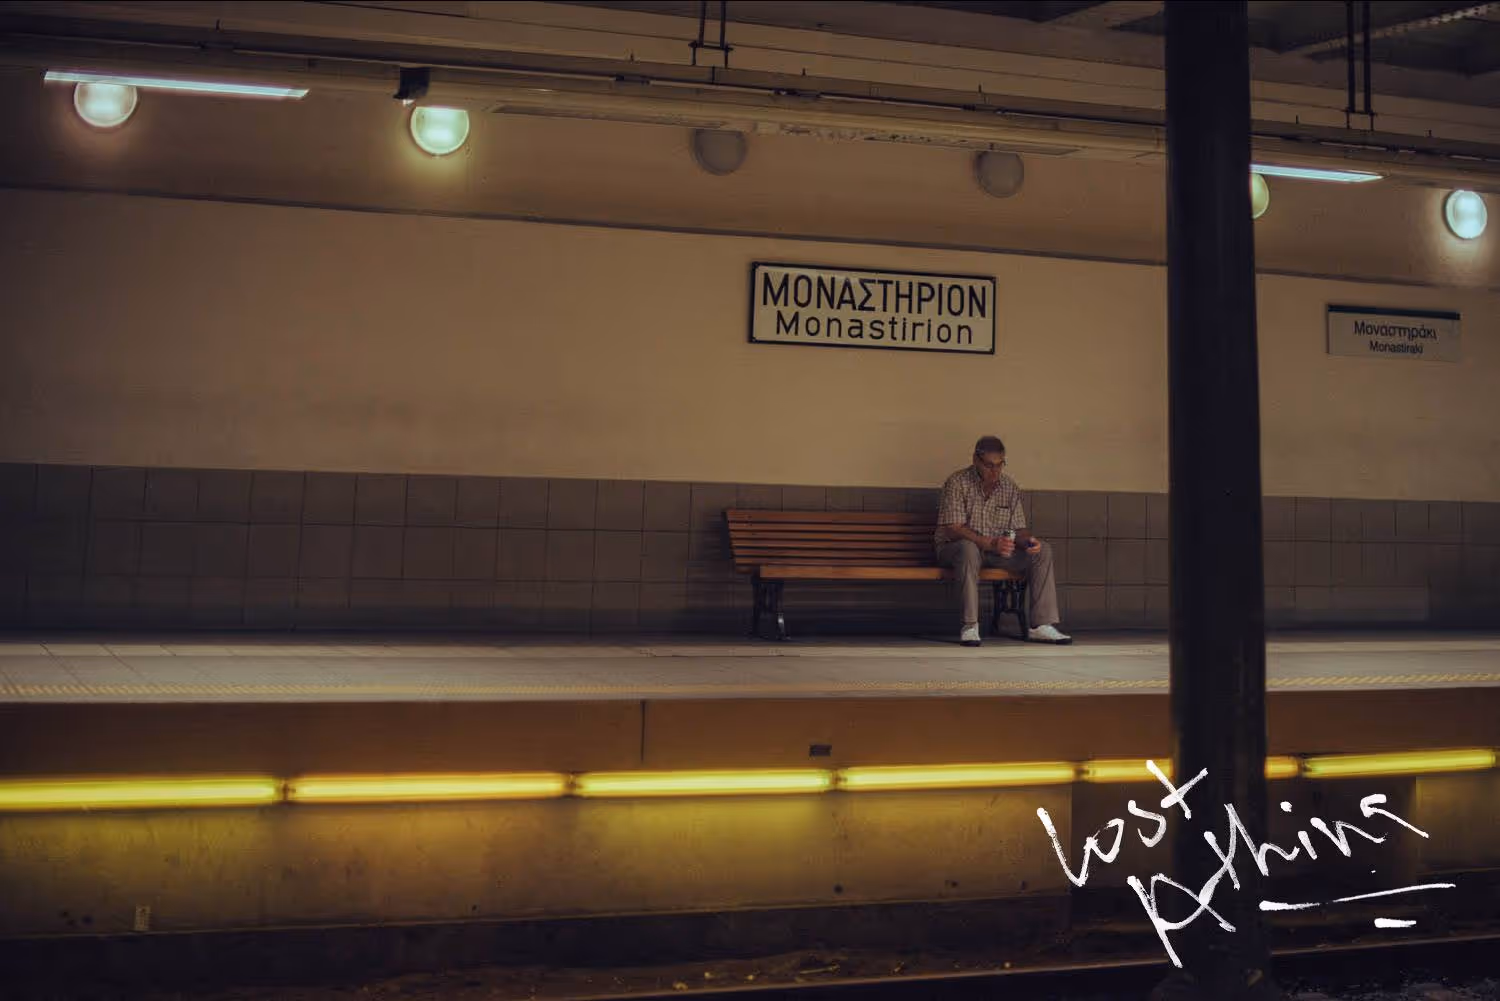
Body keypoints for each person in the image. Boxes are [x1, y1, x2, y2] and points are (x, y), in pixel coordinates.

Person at [935, 435, 1071, 647]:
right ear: (976, 460)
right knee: (969, 549)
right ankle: (970, 625)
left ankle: (1041, 625)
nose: (995, 471)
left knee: (1043, 551)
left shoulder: (1009, 487)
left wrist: (1028, 541)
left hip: (996, 552)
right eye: (989, 465)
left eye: (1000, 465)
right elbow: (953, 530)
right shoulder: (957, 482)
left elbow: (1019, 529)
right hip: (956, 550)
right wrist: (988, 543)